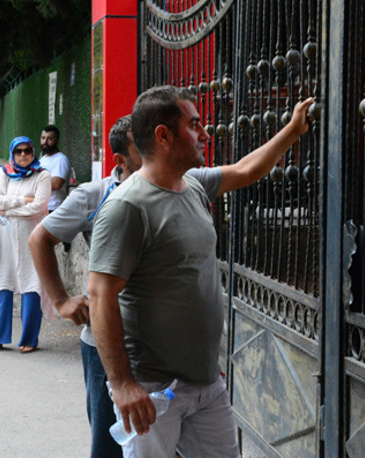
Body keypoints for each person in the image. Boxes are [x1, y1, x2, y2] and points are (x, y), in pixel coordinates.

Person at [88, 85, 313, 457]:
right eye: (194, 125)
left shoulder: (192, 185)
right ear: (163, 135)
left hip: (206, 382)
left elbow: (245, 169)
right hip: (153, 389)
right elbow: (100, 295)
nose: (205, 133)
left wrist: (292, 129)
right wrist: (123, 384)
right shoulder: (127, 206)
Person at [29, 115, 142, 458]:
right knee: (110, 442)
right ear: (121, 160)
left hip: (156, 345)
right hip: (104, 342)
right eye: (143, 145)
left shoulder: (171, 189)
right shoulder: (96, 195)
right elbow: (40, 239)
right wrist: (62, 300)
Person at [0, 136, 52, 354]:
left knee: (32, 283)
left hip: (33, 236)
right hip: (7, 236)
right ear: (13, 153)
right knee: (3, 282)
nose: (22, 155)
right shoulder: (4, 172)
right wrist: (24, 201)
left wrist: (9, 209)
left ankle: (29, 338)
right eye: (18, 151)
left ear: (32, 152)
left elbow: (39, 207)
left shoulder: (42, 175)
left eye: (27, 151)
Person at [37, 125, 71, 213]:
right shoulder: (42, 159)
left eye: (50, 139)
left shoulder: (61, 160)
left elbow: (56, 184)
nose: (45, 142)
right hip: (42, 207)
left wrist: (33, 182)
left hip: (54, 208)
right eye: (43, 138)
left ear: (57, 141)